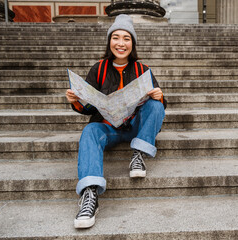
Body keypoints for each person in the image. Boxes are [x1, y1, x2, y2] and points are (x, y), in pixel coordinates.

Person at [65, 14, 167, 229]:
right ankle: (90, 195)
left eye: (126, 38)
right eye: (116, 37)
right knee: (90, 131)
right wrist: (77, 101)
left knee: (156, 105)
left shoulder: (143, 70)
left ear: (133, 43)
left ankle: (138, 154)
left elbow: (157, 110)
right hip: (108, 128)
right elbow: (89, 107)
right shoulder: (98, 68)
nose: (121, 43)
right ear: (109, 41)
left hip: (136, 128)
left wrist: (159, 96)